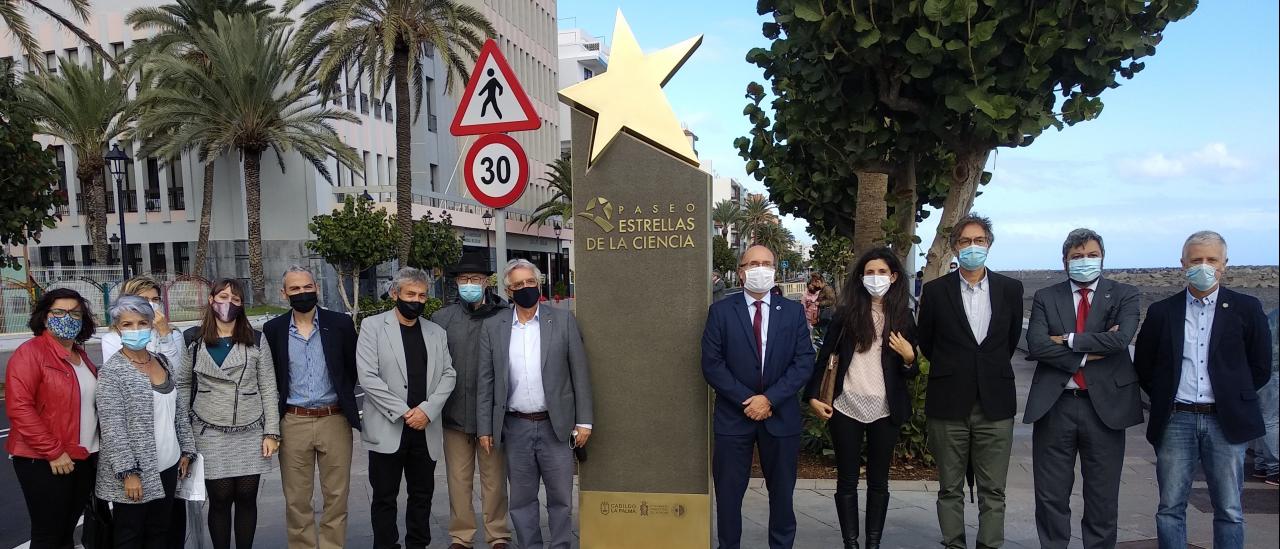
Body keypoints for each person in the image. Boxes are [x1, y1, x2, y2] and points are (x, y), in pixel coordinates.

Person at [1134, 230, 1272, 549]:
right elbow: (1145, 365)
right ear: (1183, 263)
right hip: (1176, 420)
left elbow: (1261, 366)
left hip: (1226, 422)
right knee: (1170, 508)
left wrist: (1233, 397)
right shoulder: (1162, 312)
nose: (1204, 266)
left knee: (1230, 509)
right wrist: (1166, 397)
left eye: (1211, 259)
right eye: (1197, 260)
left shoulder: (1246, 309)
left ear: (1224, 264)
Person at [1023, 229, 1143, 549]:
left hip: (1104, 407)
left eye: (1091, 255)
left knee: (1102, 498)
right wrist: (1093, 351)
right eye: (1077, 256)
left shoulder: (1125, 294)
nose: (1084, 261)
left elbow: (1120, 340)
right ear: (1065, 262)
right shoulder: (1047, 297)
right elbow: (1036, 345)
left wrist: (1068, 340)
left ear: (1102, 257)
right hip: (1056, 404)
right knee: (1050, 496)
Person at [917, 214, 1024, 549]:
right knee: (950, 487)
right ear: (955, 248)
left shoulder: (1010, 289)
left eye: (979, 241)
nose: (972, 247)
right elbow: (927, 342)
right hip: (949, 402)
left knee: (994, 489)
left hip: (995, 403)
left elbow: (1007, 342)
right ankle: (954, 543)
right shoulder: (935, 292)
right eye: (965, 242)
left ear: (988, 245)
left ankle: (989, 544)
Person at [701, 245, 815, 549]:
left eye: (766, 263)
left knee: (782, 495)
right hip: (733, 418)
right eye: (752, 264)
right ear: (741, 272)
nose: (760, 269)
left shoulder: (792, 311)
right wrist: (748, 400)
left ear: (775, 271)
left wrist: (770, 399)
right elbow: (712, 365)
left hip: (780, 417)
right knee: (728, 495)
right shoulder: (721, 311)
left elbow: (804, 361)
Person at [806, 248, 919, 549]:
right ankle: (851, 543)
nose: (876, 278)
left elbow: (910, 371)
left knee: (879, 481)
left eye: (882, 272)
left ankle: (873, 543)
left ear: (894, 277)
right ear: (860, 277)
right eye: (870, 272)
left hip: (886, 408)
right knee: (846, 480)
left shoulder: (904, 317)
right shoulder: (846, 315)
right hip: (846, 405)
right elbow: (824, 357)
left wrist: (910, 357)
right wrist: (812, 396)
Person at [477, 259, 593, 549]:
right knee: (521, 499)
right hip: (515, 427)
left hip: (557, 427)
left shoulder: (563, 320)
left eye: (530, 282)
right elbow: (486, 381)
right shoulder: (494, 327)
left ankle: (561, 545)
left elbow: (580, 373)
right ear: (508, 290)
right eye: (518, 284)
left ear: (539, 285)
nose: (525, 288)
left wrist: (584, 421)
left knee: (561, 499)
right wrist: (484, 428)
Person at [357, 267, 457, 549]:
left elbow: (449, 373)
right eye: (410, 294)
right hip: (389, 428)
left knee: (422, 495)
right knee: (384, 497)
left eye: (422, 295)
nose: (416, 300)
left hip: (425, 428)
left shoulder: (436, 332)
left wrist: (427, 410)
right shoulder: (373, 327)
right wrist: (404, 412)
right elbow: (367, 377)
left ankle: (418, 544)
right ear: (395, 294)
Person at [262, 266, 361, 549]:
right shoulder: (274, 329)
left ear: (316, 287)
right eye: (294, 289)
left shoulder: (340, 324)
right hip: (293, 422)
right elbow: (271, 377)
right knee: (296, 499)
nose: (302, 293)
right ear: (284, 294)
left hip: (334, 419)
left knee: (337, 495)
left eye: (307, 287)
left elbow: (351, 368)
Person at [177, 278, 280, 549]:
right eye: (222, 297)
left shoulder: (256, 338)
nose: (228, 303)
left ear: (242, 305)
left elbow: (268, 387)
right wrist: (185, 432)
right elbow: (184, 383)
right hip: (210, 430)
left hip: (250, 429)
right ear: (211, 300)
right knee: (220, 498)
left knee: (247, 496)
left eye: (235, 299)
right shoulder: (194, 339)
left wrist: (272, 432)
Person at [95, 296, 197, 548]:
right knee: (130, 536)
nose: (135, 329)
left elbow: (178, 411)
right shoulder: (112, 372)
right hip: (136, 473)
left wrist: (187, 449)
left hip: (169, 465)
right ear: (117, 328)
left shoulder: (160, 361)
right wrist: (128, 473)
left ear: (152, 324)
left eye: (142, 322)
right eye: (127, 324)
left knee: (160, 533)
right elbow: (112, 428)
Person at [5, 288, 100, 549]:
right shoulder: (31, 353)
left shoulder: (80, 355)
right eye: (59, 312)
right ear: (46, 318)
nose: (67, 318)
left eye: (74, 313)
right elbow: (20, 408)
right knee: (49, 534)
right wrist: (53, 451)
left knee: (65, 531)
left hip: (81, 456)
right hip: (46, 459)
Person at [431, 252, 512, 549]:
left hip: (492, 416)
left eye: (475, 279)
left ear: (486, 281)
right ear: (456, 282)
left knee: (494, 479)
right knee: (458, 480)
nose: (469, 284)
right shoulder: (441, 318)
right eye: (464, 279)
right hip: (454, 415)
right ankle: (461, 536)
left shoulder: (504, 315)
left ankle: (498, 534)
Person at [1252, 307, 1280, 485]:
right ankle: (1275, 468)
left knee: (1263, 418)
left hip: (1264, 370)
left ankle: (1261, 464)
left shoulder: (1273, 314)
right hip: (1274, 371)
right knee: (1271, 420)